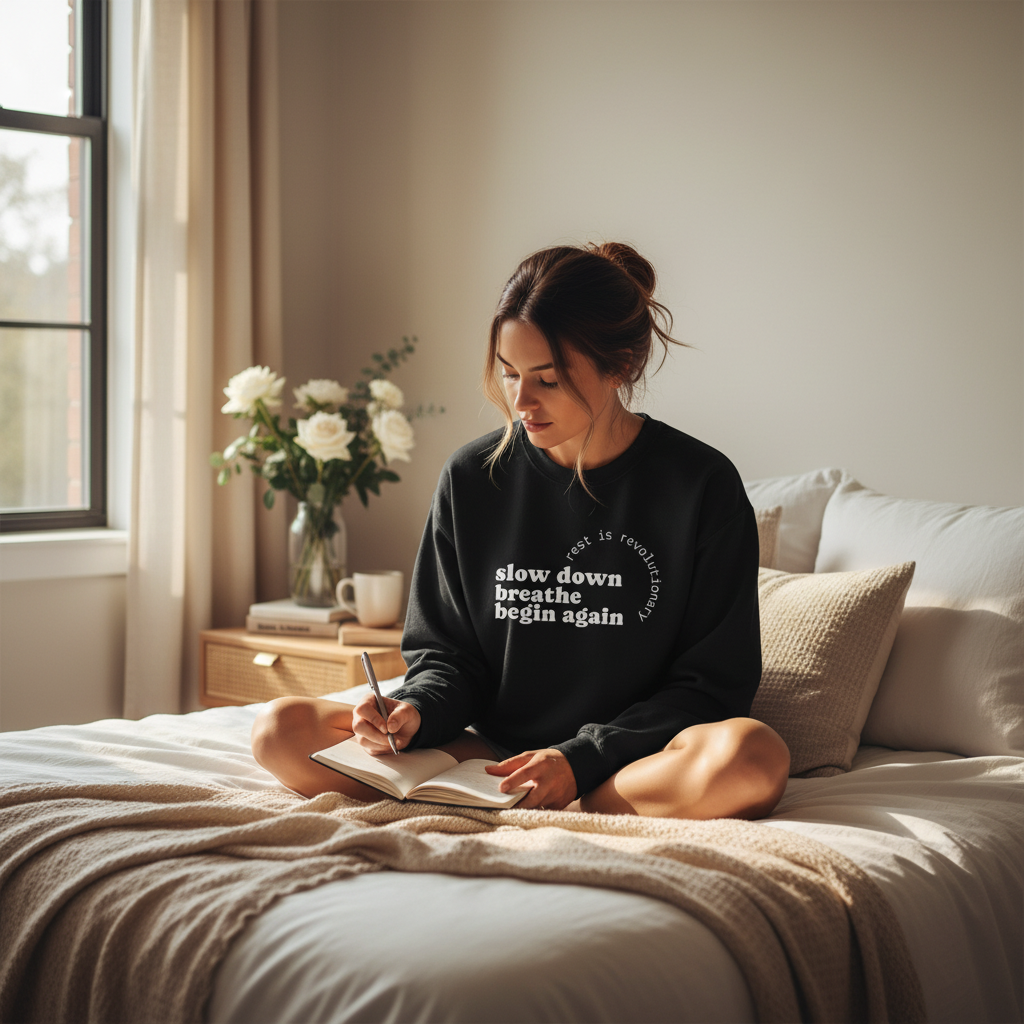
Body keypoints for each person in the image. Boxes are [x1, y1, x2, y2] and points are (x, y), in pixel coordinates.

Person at [251, 242, 790, 818]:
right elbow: (445, 654)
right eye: (510, 374)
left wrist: (580, 758)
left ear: (623, 365)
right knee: (280, 731)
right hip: (490, 753)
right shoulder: (471, 478)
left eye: (548, 380)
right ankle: (524, 800)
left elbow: (711, 687)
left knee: (752, 756)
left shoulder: (700, 485)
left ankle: (566, 801)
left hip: (629, 760)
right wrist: (416, 710)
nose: (522, 401)